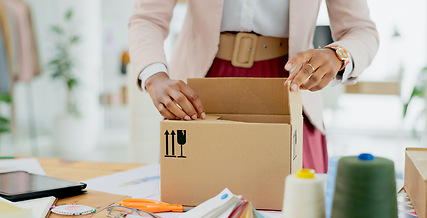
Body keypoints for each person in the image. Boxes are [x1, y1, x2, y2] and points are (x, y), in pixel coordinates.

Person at [128, 0, 379, 173]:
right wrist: (154, 74)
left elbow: (360, 29)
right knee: (196, 207)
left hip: (290, 86)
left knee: (299, 213)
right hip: (203, 89)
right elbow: (147, 18)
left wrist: (338, 55)